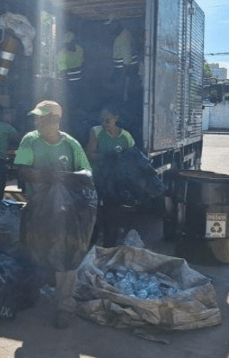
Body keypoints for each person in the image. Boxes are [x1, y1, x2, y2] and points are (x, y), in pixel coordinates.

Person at [13, 100, 93, 330]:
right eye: (37, 118)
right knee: (34, 249)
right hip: (38, 207)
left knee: (67, 252)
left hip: (66, 211)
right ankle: (33, 293)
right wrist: (49, 176)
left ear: (55, 120)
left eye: (42, 118)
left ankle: (65, 305)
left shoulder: (71, 145)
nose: (37, 122)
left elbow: (87, 172)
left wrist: (68, 177)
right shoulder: (30, 140)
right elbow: (23, 170)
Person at [86, 106, 136, 247]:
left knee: (112, 217)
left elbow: (133, 157)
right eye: (102, 120)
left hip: (115, 184)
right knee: (94, 215)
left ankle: (109, 248)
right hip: (98, 180)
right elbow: (90, 154)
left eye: (107, 120)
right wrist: (107, 157)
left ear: (116, 118)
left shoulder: (126, 136)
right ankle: (89, 247)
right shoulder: (95, 132)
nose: (104, 123)